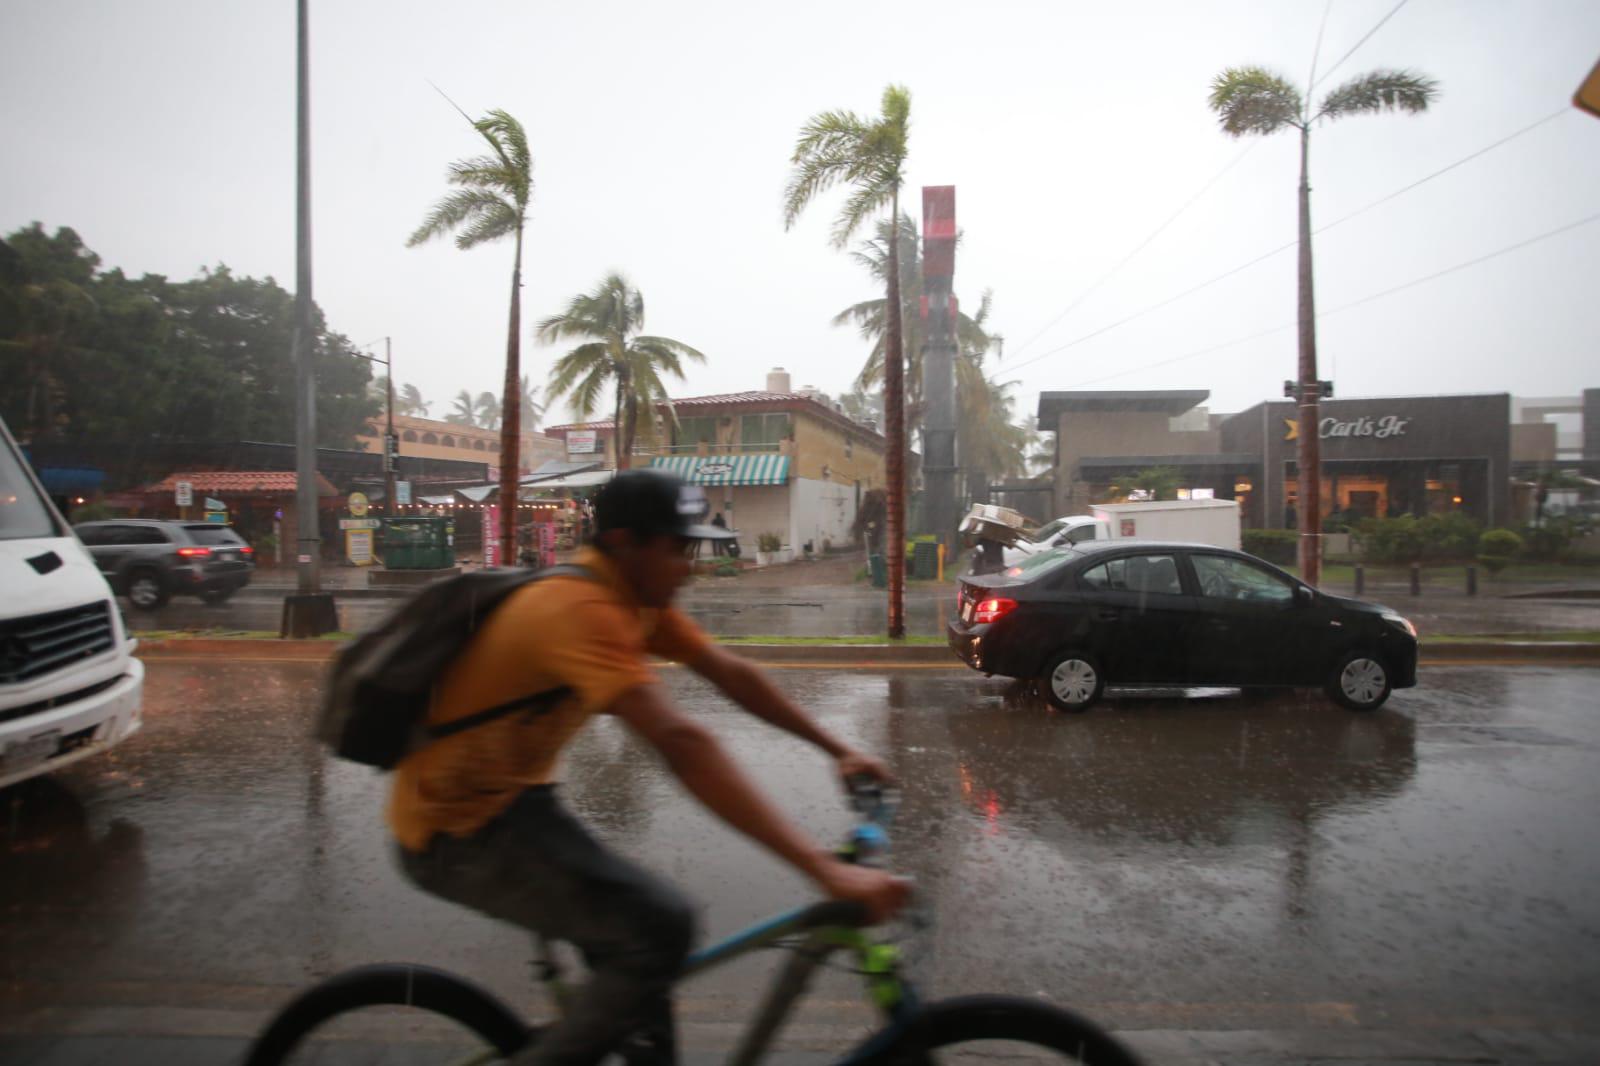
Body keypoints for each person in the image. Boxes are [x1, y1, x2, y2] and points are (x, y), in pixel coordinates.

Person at [388, 469, 909, 1065]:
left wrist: (837, 748)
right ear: (623, 542)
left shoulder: (632, 596)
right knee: (661, 928)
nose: (688, 566)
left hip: (515, 796)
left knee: (644, 949)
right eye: (677, 548)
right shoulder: (580, 608)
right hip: (452, 828)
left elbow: (731, 673)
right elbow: (681, 742)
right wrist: (822, 869)